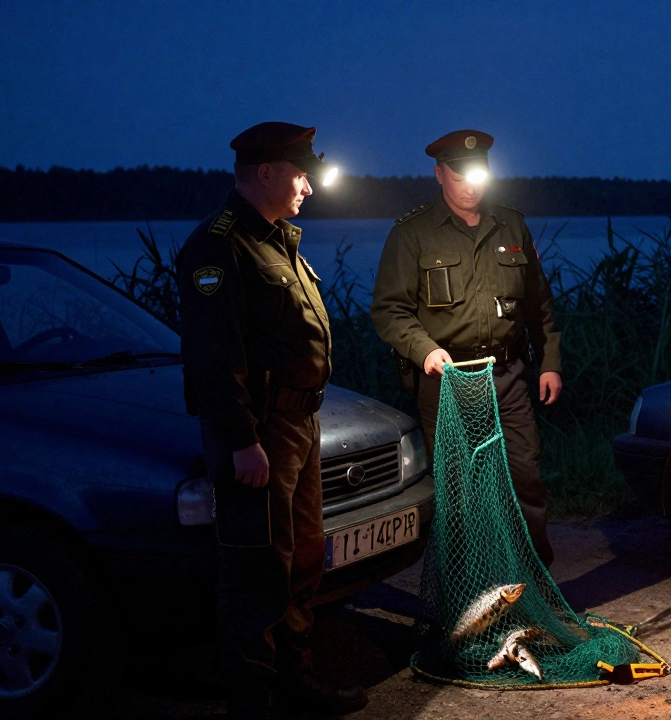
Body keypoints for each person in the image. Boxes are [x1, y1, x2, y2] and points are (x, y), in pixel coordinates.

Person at [176, 122, 367, 719]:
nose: (309, 186)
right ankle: (252, 699)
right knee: (256, 568)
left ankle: (294, 678)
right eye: (300, 173)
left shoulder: (276, 240)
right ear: (265, 172)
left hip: (297, 426)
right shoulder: (219, 246)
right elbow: (215, 356)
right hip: (259, 430)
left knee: (302, 559)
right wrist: (241, 440)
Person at [371, 129, 562, 566]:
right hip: (448, 381)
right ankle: (467, 586)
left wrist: (550, 362)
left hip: (508, 377)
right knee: (457, 491)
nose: (471, 186)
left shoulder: (511, 224)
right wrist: (424, 350)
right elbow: (389, 310)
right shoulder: (413, 232)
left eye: (478, 175)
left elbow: (539, 304)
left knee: (525, 477)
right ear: (439, 174)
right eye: (459, 177)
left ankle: (535, 581)